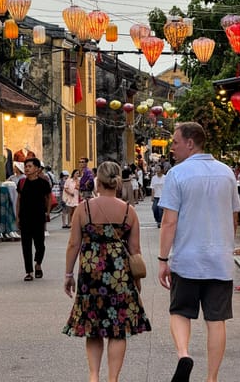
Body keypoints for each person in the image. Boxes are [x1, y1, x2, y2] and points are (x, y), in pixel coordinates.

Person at [158, 122, 240, 382]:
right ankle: (212, 378)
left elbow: (169, 221)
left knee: (180, 311)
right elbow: (234, 218)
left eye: (175, 142)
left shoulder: (177, 174)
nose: (171, 148)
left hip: (187, 259)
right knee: (216, 320)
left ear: (190, 143)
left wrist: (163, 259)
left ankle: (184, 355)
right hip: (220, 259)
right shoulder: (227, 173)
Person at [62, 161, 151, 382]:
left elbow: (74, 244)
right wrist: (137, 281)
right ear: (117, 181)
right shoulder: (128, 211)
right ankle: (113, 379)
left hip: (90, 275)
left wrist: (68, 275)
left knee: (93, 326)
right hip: (120, 276)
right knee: (118, 329)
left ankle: (94, 376)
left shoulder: (84, 209)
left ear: (97, 181)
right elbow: (135, 250)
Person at [16, 157, 51, 281]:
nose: (27, 169)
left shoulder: (44, 183)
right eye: (26, 166)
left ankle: (38, 264)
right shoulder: (22, 183)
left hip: (39, 218)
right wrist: (17, 216)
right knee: (26, 245)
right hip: (25, 218)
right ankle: (29, 272)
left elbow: (48, 198)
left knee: (40, 244)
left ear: (37, 169)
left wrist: (47, 212)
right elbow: (19, 200)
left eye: (30, 166)